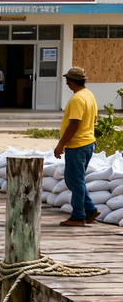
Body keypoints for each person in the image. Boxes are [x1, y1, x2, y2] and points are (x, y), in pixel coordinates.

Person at [54, 67, 99, 227]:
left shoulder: (77, 99)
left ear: (73, 81)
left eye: (68, 80)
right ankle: (90, 209)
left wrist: (61, 144)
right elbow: (93, 119)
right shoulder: (89, 95)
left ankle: (78, 216)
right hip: (87, 142)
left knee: (75, 179)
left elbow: (75, 122)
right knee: (72, 179)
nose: (66, 82)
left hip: (78, 145)